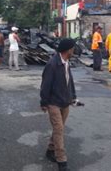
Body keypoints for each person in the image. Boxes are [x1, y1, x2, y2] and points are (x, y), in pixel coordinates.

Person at [40, 39, 78, 171]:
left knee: (58, 129)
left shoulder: (66, 62)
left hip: (65, 101)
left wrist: (73, 96)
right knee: (59, 129)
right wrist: (44, 102)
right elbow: (45, 85)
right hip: (53, 103)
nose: (74, 50)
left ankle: (50, 150)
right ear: (68, 50)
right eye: (73, 48)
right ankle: (62, 161)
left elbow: (69, 80)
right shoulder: (52, 64)